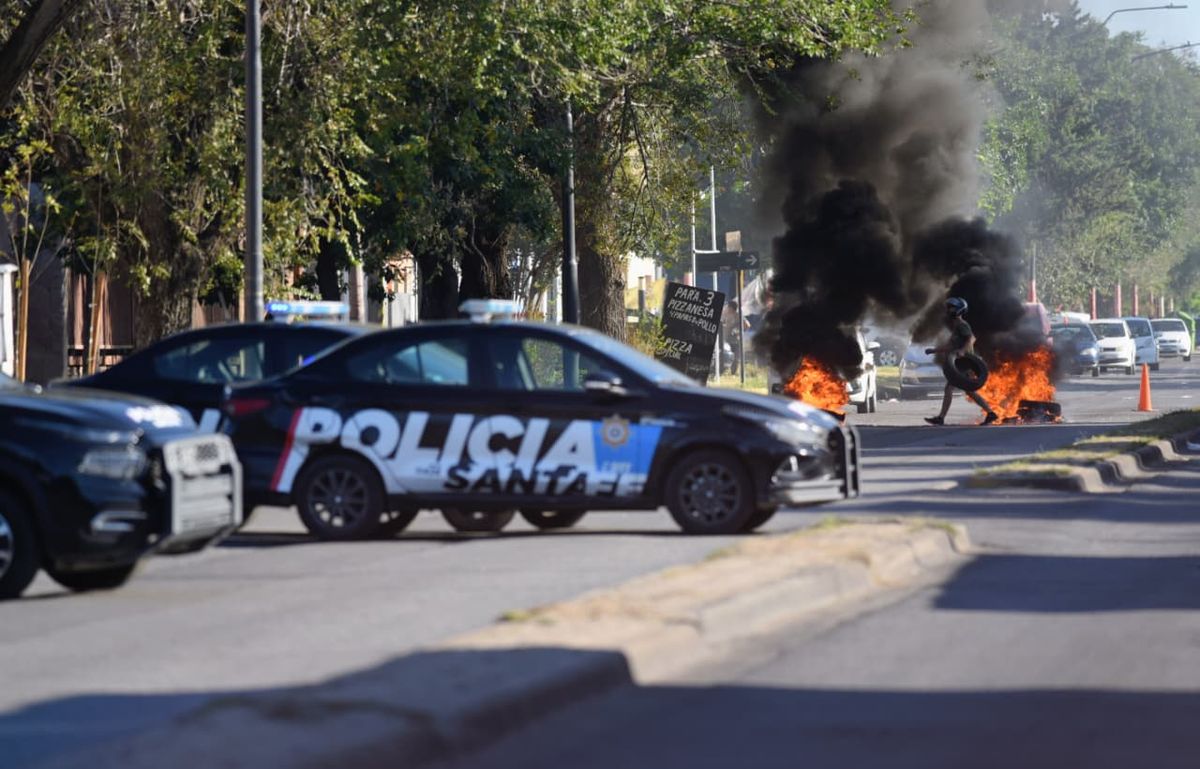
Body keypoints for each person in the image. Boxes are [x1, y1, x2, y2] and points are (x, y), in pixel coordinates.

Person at [925, 297, 999, 426]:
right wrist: (934, 351)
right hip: (961, 363)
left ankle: (941, 418)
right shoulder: (956, 326)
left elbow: (971, 338)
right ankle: (991, 413)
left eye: (952, 308)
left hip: (965, 363)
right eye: (949, 308)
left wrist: (963, 351)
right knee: (969, 391)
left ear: (959, 310)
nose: (949, 310)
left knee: (949, 388)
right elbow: (950, 346)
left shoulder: (962, 325)